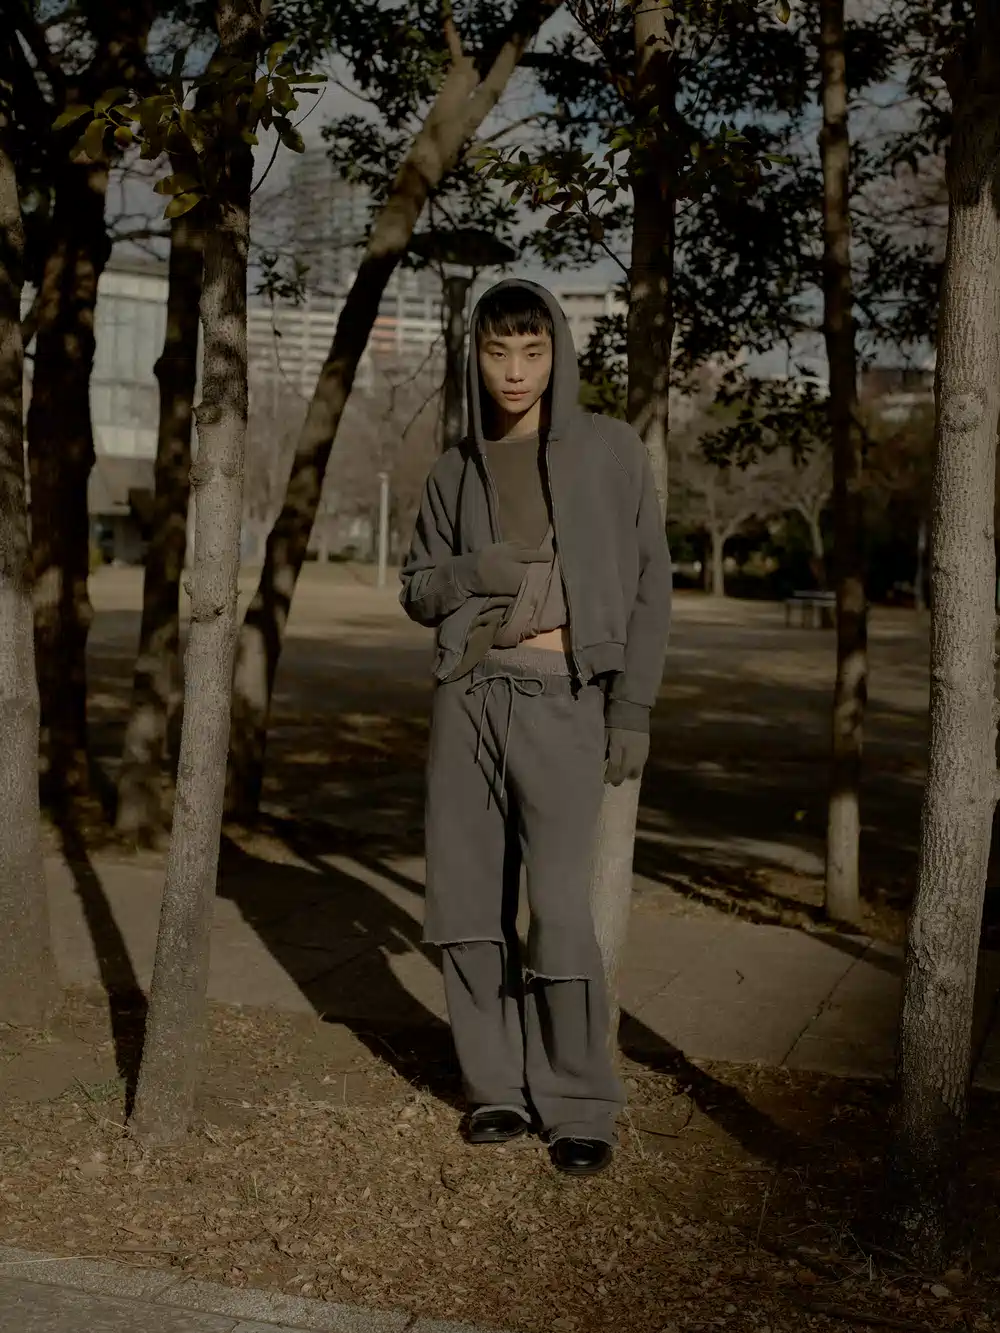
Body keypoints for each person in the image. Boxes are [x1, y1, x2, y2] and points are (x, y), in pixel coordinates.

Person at [400, 279, 671, 1176]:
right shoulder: (454, 468)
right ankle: (496, 1088)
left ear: (558, 352)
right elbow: (417, 587)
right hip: (468, 698)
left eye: (532, 350)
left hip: (564, 699)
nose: (515, 371)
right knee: (467, 904)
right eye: (497, 352)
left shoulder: (611, 451)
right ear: (474, 357)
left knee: (557, 909)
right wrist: (472, 569)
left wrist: (632, 706)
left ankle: (579, 1101)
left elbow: (651, 587)